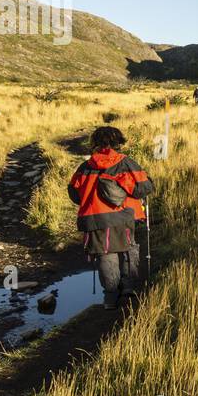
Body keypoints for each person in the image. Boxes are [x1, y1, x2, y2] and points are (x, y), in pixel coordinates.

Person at [67, 126, 155, 309]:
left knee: (106, 255)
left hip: (93, 219)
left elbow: (74, 193)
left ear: (95, 143)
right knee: (128, 249)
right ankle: (128, 288)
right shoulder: (125, 163)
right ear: (118, 141)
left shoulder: (85, 167)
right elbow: (142, 189)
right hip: (123, 216)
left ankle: (110, 298)